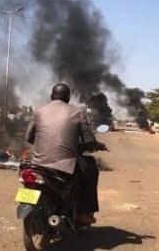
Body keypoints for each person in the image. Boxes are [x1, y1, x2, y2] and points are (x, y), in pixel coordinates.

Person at [25, 82, 106, 225]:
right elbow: (89, 141)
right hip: (64, 167)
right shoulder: (77, 112)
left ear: (51, 96)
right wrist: (98, 145)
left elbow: (28, 137)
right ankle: (83, 213)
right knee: (91, 167)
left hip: (37, 164)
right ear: (68, 98)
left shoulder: (38, 111)